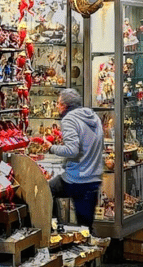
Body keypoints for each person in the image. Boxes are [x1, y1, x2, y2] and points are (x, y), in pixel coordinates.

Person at [42, 88, 103, 228]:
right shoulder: (93, 116)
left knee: (47, 190)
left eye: (58, 103)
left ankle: (55, 227)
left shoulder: (69, 119)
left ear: (64, 105)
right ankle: (91, 246)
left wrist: (51, 147)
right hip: (93, 178)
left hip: (77, 179)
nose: (56, 106)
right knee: (86, 227)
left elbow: (72, 150)